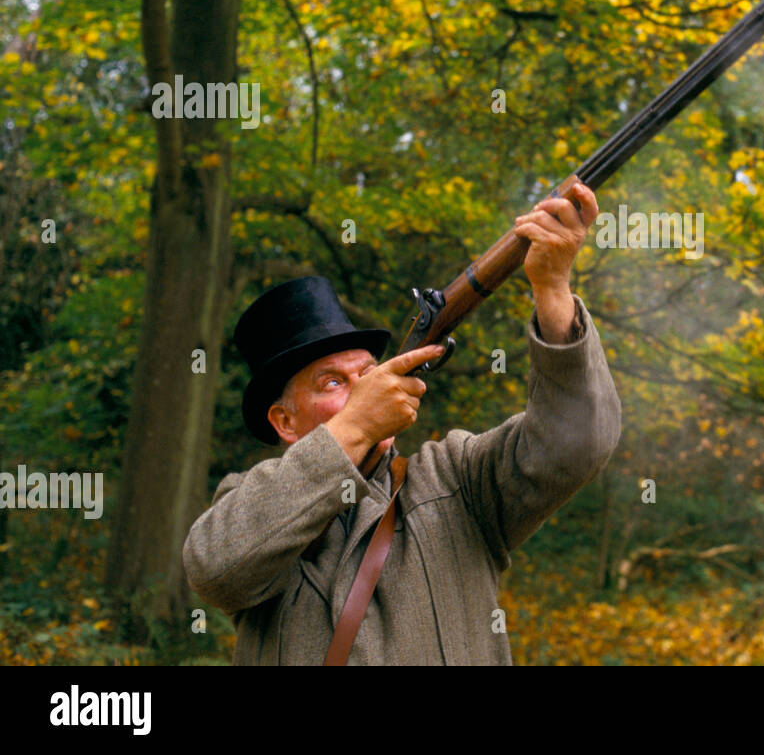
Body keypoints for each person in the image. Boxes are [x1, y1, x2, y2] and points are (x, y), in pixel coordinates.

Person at [183, 183, 621, 664]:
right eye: (333, 383)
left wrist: (553, 289)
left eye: (368, 374)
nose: (364, 389)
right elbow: (216, 569)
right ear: (284, 421)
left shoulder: (457, 477)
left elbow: (578, 443)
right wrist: (354, 427)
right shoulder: (251, 503)